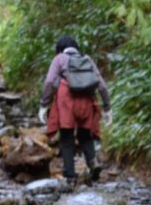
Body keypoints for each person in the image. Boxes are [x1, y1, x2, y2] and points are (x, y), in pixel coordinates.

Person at [39, 36, 111, 185]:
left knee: (66, 137)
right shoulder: (87, 59)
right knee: (85, 135)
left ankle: (70, 175)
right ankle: (92, 162)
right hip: (86, 100)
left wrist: (44, 104)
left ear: (59, 49)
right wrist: (107, 107)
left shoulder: (59, 59)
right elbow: (101, 85)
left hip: (67, 100)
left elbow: (49, 82)